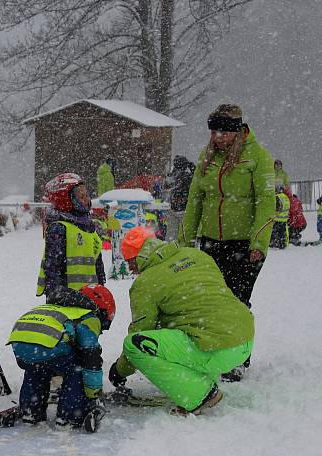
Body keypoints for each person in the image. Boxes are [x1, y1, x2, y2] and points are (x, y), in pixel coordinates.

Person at [108, 227, 255, 415]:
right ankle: (201, 378)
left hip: (216, 349)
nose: (130, 268)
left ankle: (201, 395)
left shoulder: (145, 283)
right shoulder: (195, 255)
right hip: (243, 340)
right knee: (191, 325)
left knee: (134, 345)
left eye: (130, 261)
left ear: (139, 257)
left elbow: (141, 331)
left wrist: (120, 370)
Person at [178, 104, 274, 381]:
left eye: (224, 131)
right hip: (211, 243)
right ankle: (214, 351)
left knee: (238, 301)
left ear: (237, 130)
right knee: (212, 302)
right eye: (214, 131)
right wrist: (185, 240)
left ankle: (239, 358)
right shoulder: (207, 156)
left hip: (244, 244)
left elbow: (266, 203)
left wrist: (259, 243)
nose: (218, 136)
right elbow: (195, 200)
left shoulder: (258, 157)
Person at [7, 285, 115, 432]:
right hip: (49, 345)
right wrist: (93, 395)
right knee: (76, 368)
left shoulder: (58, 307)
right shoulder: (89, 315)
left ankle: (31, 411)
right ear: (102, 311)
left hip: (20, 341)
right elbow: (91, 355)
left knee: (38, 368)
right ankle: (68, 417)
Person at [36, 173, 105, 302]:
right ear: (67, 201)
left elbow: (96, 262)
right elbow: (53, 268)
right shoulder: (59, 228)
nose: (86, 199)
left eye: (87, 195)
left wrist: (101, 286)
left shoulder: (88, 226)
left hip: (89, 295)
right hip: (66, 299)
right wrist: (58, 294)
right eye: (81, 196)